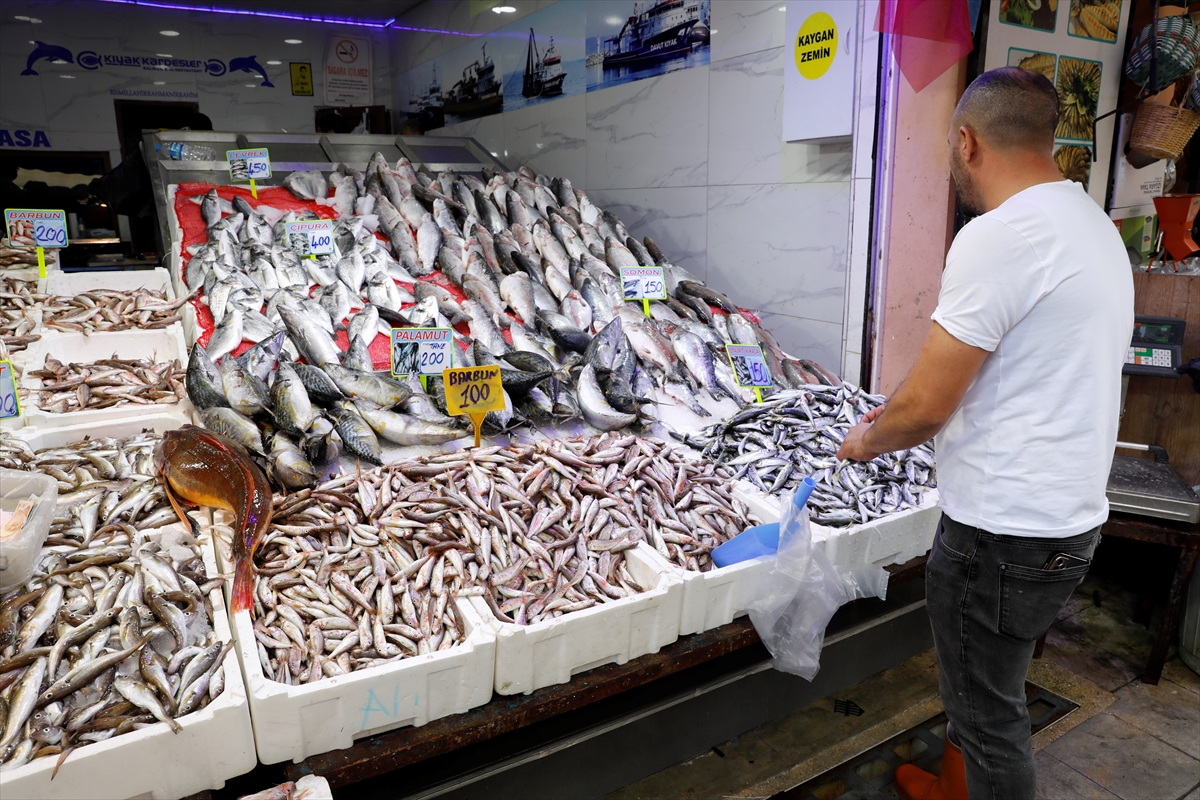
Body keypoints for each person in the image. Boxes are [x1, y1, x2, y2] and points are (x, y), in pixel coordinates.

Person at [837, 67, 1134, 800]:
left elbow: (927, 406)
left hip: (1001, 535)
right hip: (1068, 520)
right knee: (989, 686)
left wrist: (866, 440)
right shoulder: (1091, 224)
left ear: (967, 141)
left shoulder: (999, 237)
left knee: (989, 714)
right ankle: (952, 787)